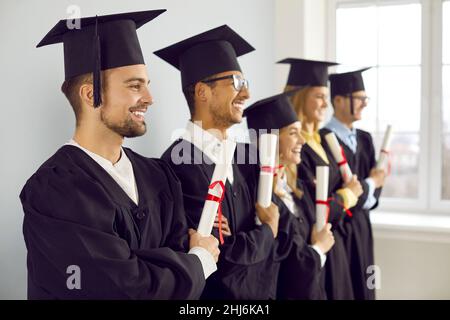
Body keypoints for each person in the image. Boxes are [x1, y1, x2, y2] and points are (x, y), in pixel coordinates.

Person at [19, 10, 220, 300]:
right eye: (135, 85)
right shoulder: (54, 189)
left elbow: (155, 272)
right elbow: (122, 289)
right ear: (91, 95)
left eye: (147, 85)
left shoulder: (159, 176)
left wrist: (151, 267)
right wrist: (199, 260)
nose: (150, 98)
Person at [155, 25, 281, 299]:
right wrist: (269, 230)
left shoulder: (236, 157)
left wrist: (249, 237)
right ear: (202, 92)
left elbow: (238, 241)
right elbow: (223, 257)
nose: (246, 95)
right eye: (236, 83)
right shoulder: (180, 164)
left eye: (245, 84)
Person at [278, 58, 363, 299]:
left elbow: (324, 197)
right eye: (319, 96)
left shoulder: (322, 139)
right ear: (299, 96)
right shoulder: (294, 147)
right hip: (313, 243)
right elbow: (313, 207)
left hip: (332, 239)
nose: (326, 103)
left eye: (327, 96)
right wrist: (349, 195)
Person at [243, 92, 335, 299]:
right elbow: (289, 265)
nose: (302, 140)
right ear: (272, 139)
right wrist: (320, 248)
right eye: (293, 133)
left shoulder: (296, 189)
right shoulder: (260, 196)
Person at [322, 68, 386, 300]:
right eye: (359, 99)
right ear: (338, 100)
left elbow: (374, 194)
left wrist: (371, 187)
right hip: (340, 232)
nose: (364, 104)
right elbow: (337, 196)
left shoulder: (365, 139)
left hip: (362, 227)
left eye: (365, 99)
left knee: (366, 287)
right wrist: (372, 182)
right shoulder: (323, 139)